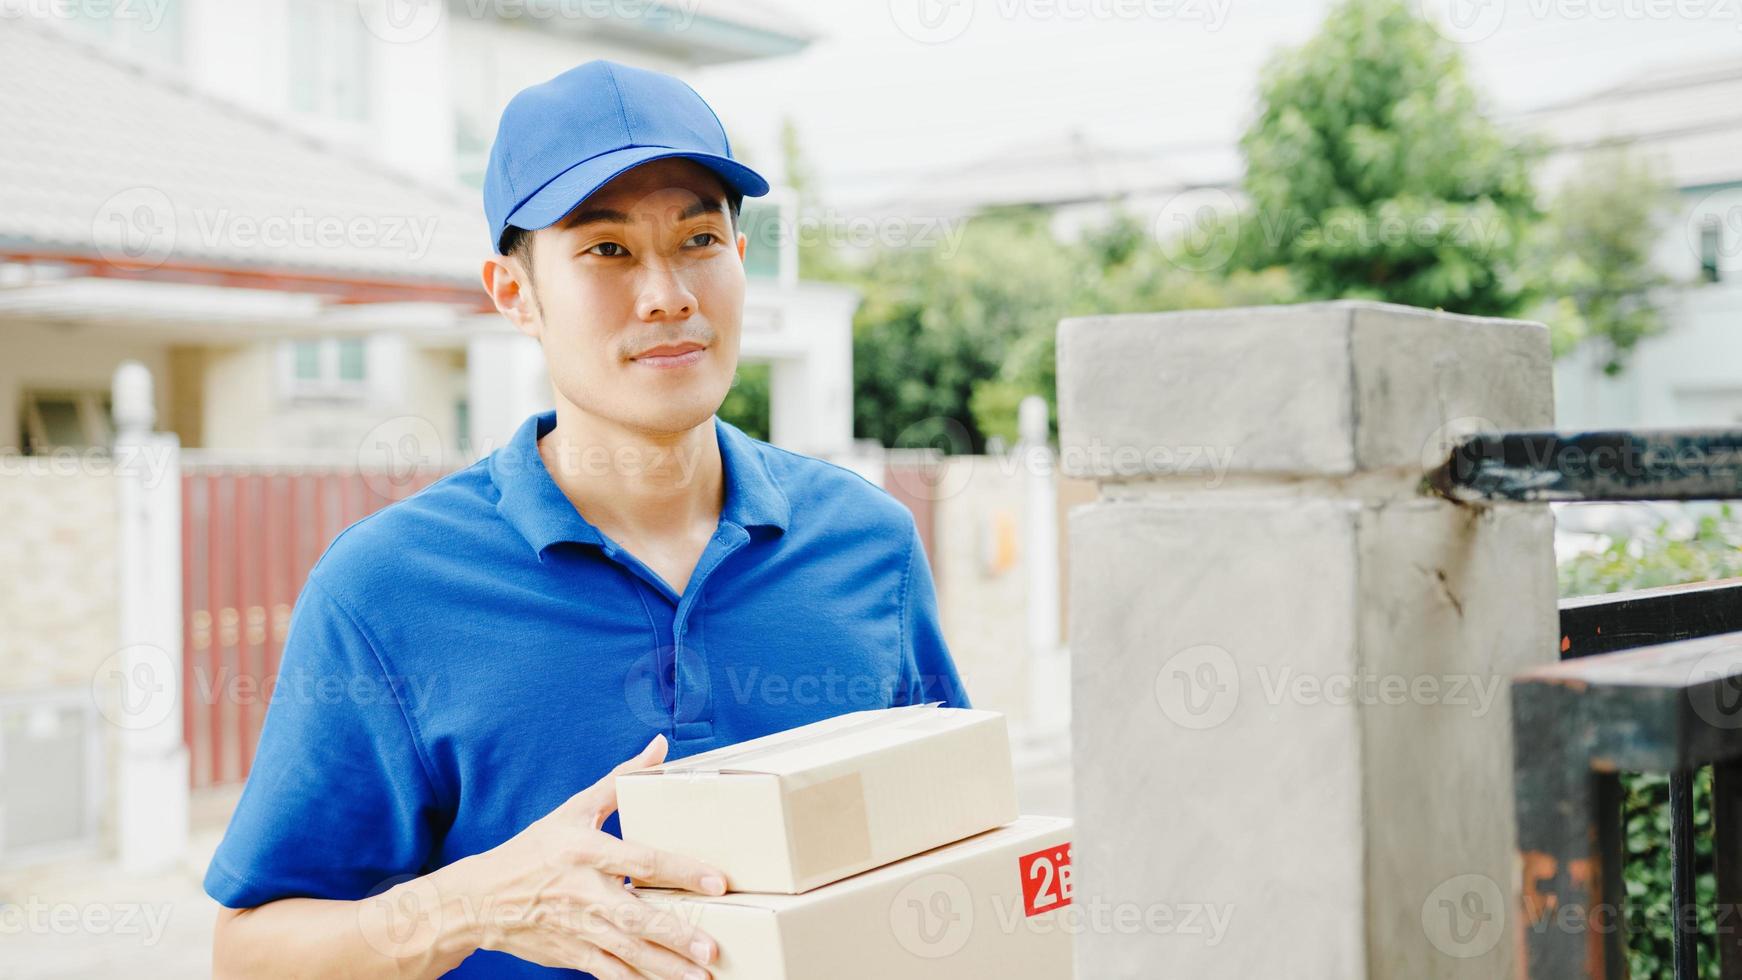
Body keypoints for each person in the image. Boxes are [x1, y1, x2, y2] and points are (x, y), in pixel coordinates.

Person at [205, 60, 969, 979]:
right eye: (607, 251)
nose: (667, 295)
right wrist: (473, 904)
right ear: (513, 292)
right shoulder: (389, 588)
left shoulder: (865, 543)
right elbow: (250, 955)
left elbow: (952, 852)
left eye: (698, 239)